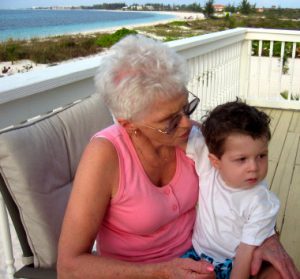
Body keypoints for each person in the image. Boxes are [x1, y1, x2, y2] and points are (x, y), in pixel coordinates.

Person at [57, 34, 299, 279]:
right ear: (129, 124)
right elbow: (69, 266)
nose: (187, 124)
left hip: (200, 259)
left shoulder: (192, 140)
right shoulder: (104, 156)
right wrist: (161, 272)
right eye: (170, 121)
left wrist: (268, 237)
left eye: (186, 107)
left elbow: (249, 189)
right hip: (137, 272)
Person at [183, 100, 281, 279]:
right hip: (197, 255)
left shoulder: (262, 203)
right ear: (215, 161)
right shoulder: (207, 163)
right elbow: (177, 132)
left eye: (261, 155)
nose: (254, 167)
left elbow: (245, 253)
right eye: (242, 159)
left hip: (235, 263)